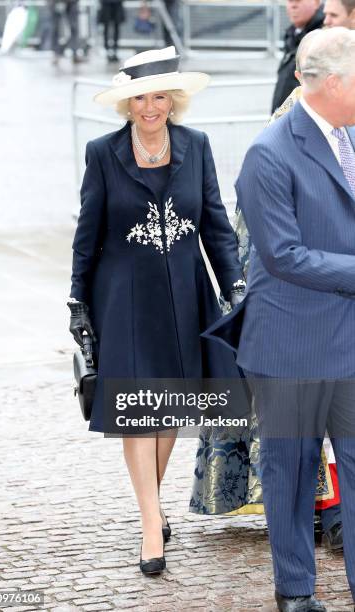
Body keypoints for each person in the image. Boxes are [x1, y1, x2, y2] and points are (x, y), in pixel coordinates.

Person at [67, 46, 247, 576]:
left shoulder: (197, 145)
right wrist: (77, 299)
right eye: (140, 97)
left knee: (168, 406)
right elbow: (87, 233)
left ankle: (153, 502)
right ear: (127, 104)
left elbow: (215, 222)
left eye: (159, 96)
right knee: (138, 413)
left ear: (174, 100)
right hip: (123, 296)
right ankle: (151, 524)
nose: (150, 107)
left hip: (185, 294)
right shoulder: (103, 152)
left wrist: (234, 283)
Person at [206, 27, 355, 612]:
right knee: (290, 475)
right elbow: (284, 255)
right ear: (336, 82)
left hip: (349, 342)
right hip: (291, 344)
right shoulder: (270, 153)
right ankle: (296, 591)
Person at [271, 0, 324, 112]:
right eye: (290, 1)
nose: (293, 5)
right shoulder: (293, 33)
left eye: (298, 0)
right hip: (286, 118)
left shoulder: (324, 37)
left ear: (316, 2)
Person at [48, 0, 82, 65]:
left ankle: (75, 53)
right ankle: (56, 54)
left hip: (71, 2)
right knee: (55, 29)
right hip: (55, 2)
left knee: (74, 27)